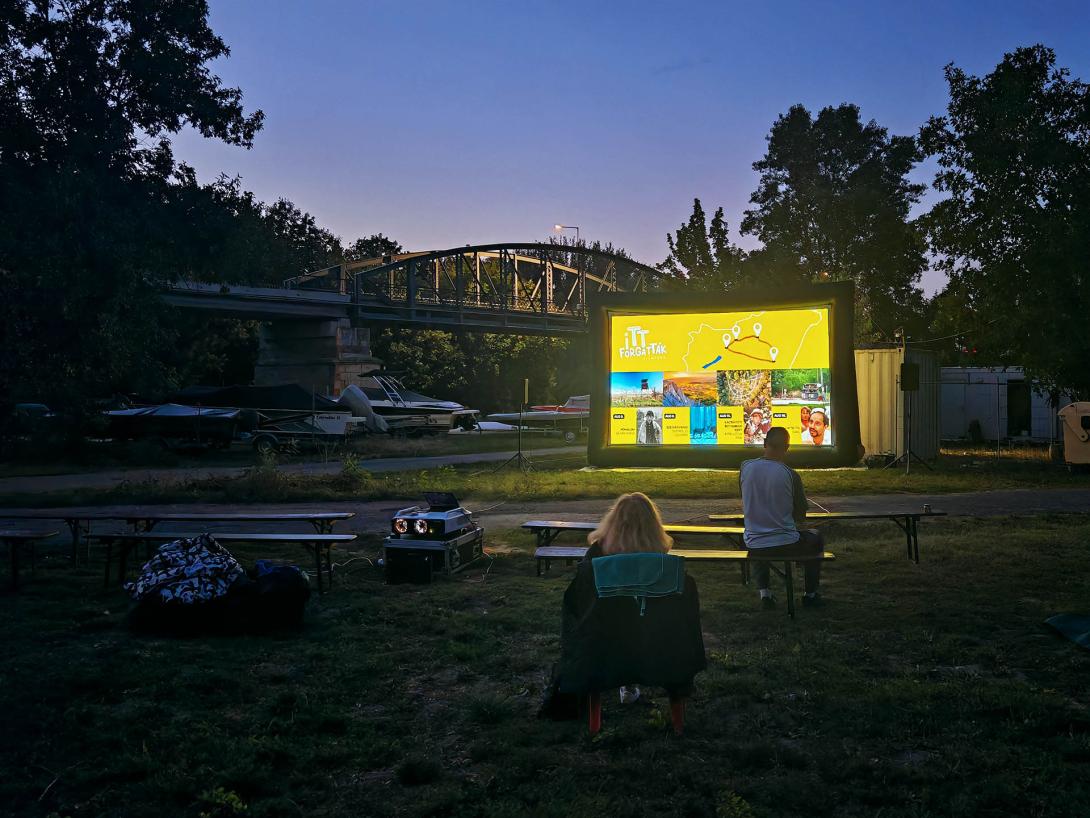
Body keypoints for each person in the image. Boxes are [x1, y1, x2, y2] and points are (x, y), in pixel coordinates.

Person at [559, 493, 701, 707]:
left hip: (604, 645)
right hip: (660, 644)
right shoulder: (665, 565)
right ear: (653, 523)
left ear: (614, 521)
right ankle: (635, 686)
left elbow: (578, 604)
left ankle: (625, 686)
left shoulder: (597, 558)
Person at [739, 427, 825, 608]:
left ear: (764, 443)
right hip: (786, 543)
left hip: (754, 543)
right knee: (815, 537)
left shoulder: (745, 468)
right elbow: (800, 513)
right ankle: (810, 594)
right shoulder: (790, 474)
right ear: (787, 448)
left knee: (758, 537)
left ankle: (765, 595)